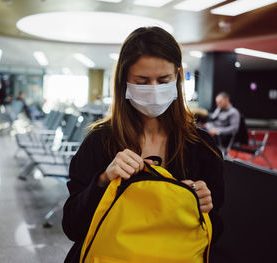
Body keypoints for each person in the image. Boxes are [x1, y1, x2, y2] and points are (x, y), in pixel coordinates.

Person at [62, 26, 224, 262]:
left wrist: (204, 209)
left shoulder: (202, 146)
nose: (154, 90)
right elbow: (72, 227)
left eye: (164, 79)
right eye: (142, 80)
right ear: (124, 81)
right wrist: (103, 180)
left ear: (178, 77)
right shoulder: (100, 141)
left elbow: (215, 233)